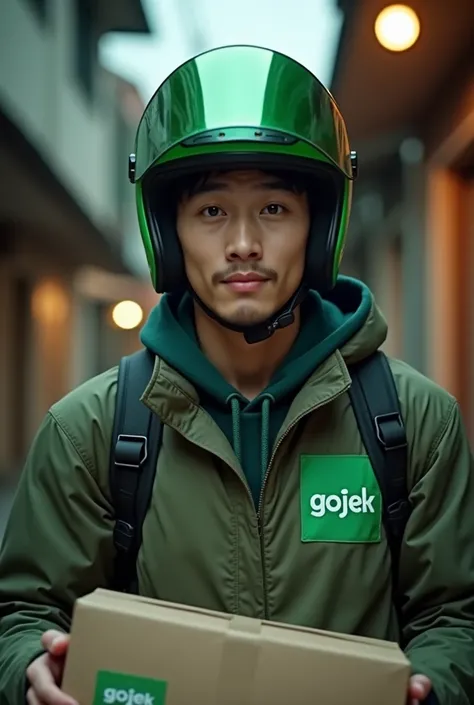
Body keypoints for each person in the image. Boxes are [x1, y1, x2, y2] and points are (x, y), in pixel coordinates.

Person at [0, 44, 473, 705]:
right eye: (212, 211)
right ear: (169, 234)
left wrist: (435, 684)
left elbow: (456, 614)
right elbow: (22, 614)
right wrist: (28, 665)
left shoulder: (412, 421)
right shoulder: (91, 430)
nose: (244, 242)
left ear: (319, 226)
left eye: (275, 209)